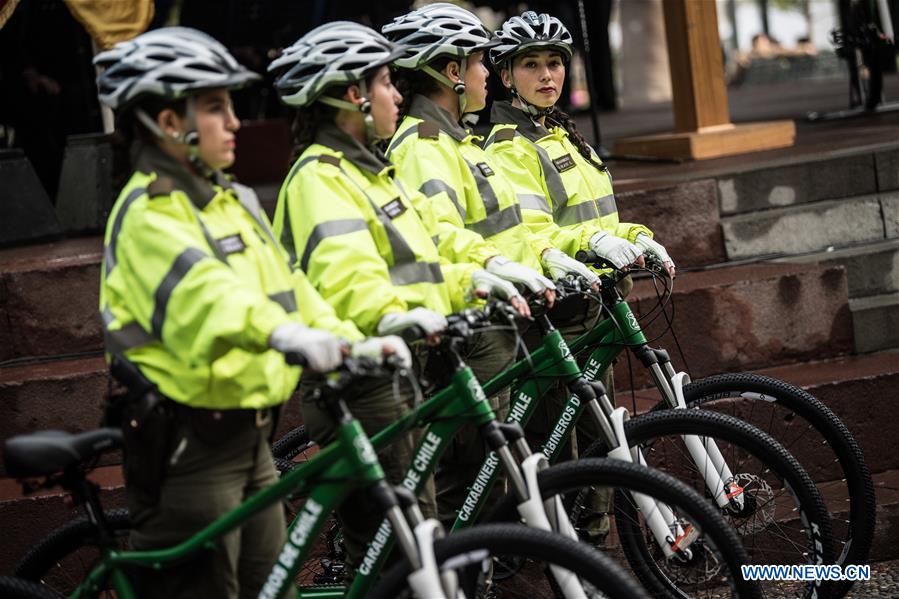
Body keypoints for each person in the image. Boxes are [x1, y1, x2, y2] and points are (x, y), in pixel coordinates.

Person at [95, 27, 408, 598]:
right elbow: (207, 298)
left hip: (251, 441)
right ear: (169, 123)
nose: (236, 122)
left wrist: (346, 338)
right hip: (191, 449)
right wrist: (284, 334)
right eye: (216, 108)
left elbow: (291, 288)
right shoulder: (148, 212)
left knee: (275, 588)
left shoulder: (230, 200)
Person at [267, 21, 527, 557]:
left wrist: (474, 279)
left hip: (396, 369)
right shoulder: (320, 176)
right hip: (360, 380)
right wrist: (392, 314)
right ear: (353, 97)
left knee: (419, 538)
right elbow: (348, 275)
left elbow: (426, 258)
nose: (395, 94)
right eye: (386, 83)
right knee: (401, 555)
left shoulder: (370, 173)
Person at [484, 10, 675, 543]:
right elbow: (535, 230)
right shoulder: (508, 145)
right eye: (531, 65)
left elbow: (597, 222)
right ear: (504, 75)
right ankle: (557, 554)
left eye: (554, 63)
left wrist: (634, 237)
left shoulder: (561, 134)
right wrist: (592, 245)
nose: (547, 75)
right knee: (560, 447)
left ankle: (591, 550)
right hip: (556, 312)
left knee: (599, 438)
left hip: (595, 304)